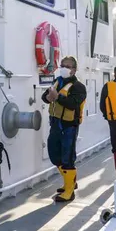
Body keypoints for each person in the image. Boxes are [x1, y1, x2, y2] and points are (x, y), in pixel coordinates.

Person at [41, 55, 87, 203]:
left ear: (74, 70)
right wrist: (47, 98)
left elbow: (73, 104)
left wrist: (57, 97)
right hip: (55, 124)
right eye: (62, 65)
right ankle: (70, 182)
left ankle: (69, 191)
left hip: (68, 127)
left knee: (67, 158)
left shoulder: (79, 87)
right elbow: (45, 96)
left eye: (67, 66)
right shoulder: (57, 81)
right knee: (54, 155)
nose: (64, 68)